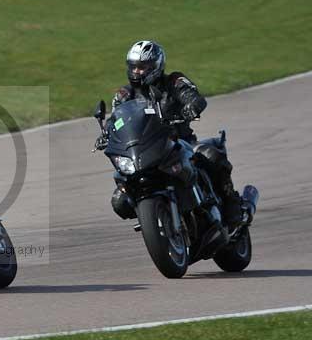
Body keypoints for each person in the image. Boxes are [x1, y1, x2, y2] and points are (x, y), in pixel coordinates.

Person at [98, 40, 243, 229]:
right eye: (133, 67)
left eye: (142, 67)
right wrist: (107, 132)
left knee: (211, 156)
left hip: (180, 142)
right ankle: (152, 214)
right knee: (120, 199)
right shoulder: (125, 95)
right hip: (145, 149)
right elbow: (117, 120)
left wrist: (192, 106)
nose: (137, 72)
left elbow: (193, 97)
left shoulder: (174, 81)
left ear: (156, 66)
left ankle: (232, 204)